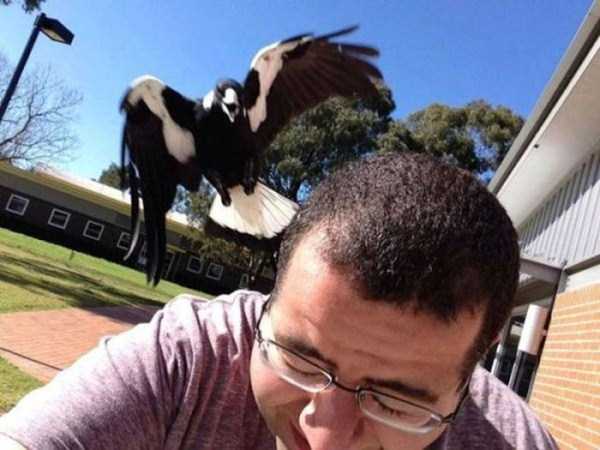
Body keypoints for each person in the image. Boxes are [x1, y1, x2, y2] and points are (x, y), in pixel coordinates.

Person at [0, 153, 557, 450]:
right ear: (269, 300)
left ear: (473, 368)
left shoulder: (513, 442)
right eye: (300, 360)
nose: (323, 437)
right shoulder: (189, 361)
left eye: (393, 401)